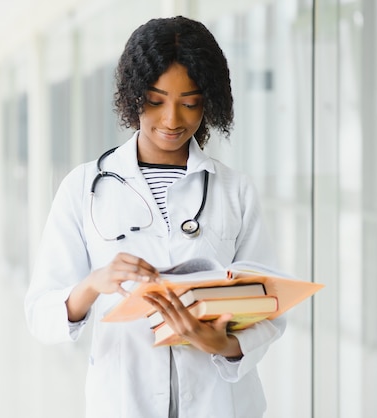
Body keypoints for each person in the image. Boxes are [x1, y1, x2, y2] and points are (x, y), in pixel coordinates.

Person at [24, 16, 286, 418]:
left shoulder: (235, 190)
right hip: (124, 400)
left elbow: (270, 308)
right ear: (133, 96)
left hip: (220, 402)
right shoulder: (83, 187)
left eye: (190, 102)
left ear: (209, 101)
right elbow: (41, 314)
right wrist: (94, 284)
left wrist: (222, 345)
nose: (172, 120)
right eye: (156, 100)